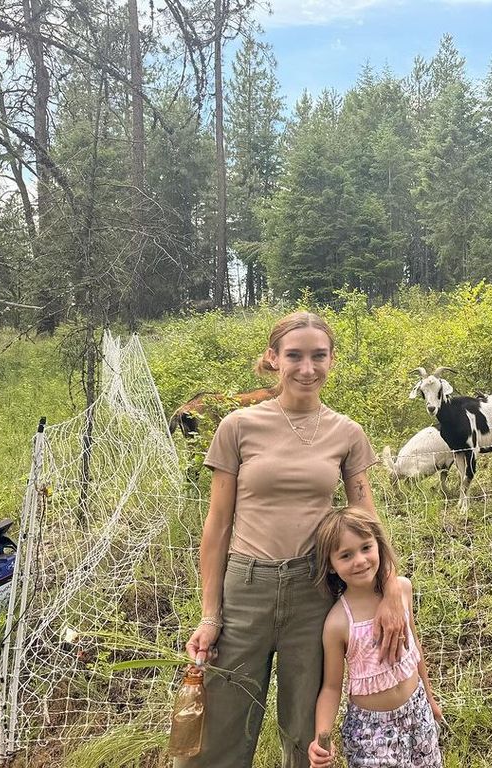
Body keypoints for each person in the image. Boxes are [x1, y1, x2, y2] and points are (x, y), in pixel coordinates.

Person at [180, 310, 407, 768]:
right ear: (273, 359)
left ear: (331, 360)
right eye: (295, 356)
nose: (308, 368)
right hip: (245, 590)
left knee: (307, 733)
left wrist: (389, 590)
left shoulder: (347, 433)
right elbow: (218, 525)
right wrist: (210, 615)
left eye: (318, 356)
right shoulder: (238, 427)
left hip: (315, 593)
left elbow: (365, 517)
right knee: (221, 728)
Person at [308, 506, 443, 768]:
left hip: (417, 711)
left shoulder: (402, 590)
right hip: (372, 730)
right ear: (332, 566)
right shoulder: (338, 622)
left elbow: (415, 651)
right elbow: (332, 687)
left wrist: (429, 697)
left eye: (366, 548)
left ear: (379, 546)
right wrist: (320, 736)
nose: (359, 560)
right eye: (346, 555)